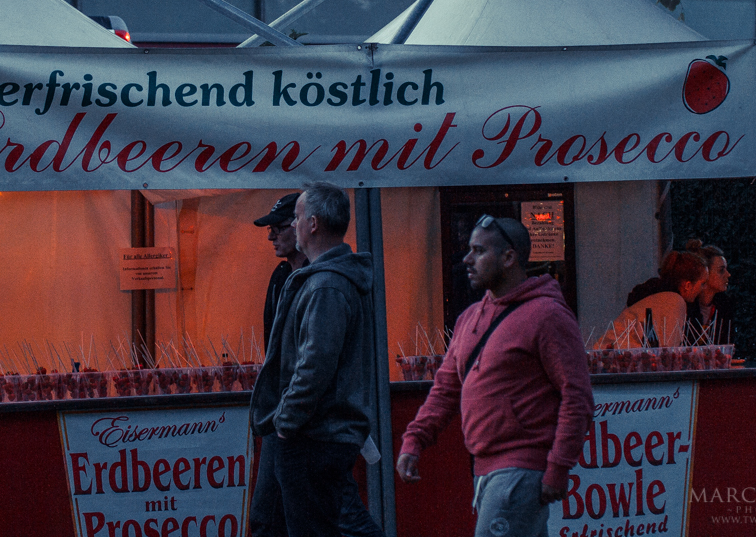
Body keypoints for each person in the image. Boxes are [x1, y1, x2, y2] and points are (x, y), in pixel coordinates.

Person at [395, 215, 593, 537]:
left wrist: (559, 465)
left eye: (479, 251)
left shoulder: (548, 315)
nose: (467, 260)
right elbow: (445, 390)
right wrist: (414, 440)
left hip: (519, 471)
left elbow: (578, 397)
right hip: (486, 470)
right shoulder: (468, 319)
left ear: (509, 257)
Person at [249, 192, 386, 537]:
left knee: (327, 523)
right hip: (310, 429)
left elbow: (315, 365)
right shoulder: (309, 280)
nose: (287, 228)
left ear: (312, 224)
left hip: (313, 432)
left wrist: (286, 419)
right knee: (275, 521)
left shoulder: (326, 285)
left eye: (294, 219)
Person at [596, 250, 708, 349]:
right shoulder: (673, 301)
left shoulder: (652, 295)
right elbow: (666, 351)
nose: (704, 288)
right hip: (621, 358)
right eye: (702, 284)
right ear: (687, 285)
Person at [253, 192, 306, 349]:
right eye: (271, 229)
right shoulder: (280, 275)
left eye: (279, 229)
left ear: (300, 226)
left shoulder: (319, 277)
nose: (270, 237)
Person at [685, 239, 735, 343]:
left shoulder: (724, 306)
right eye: (721, 270)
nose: (728, 274)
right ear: (705, 272)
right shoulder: (686, 305)